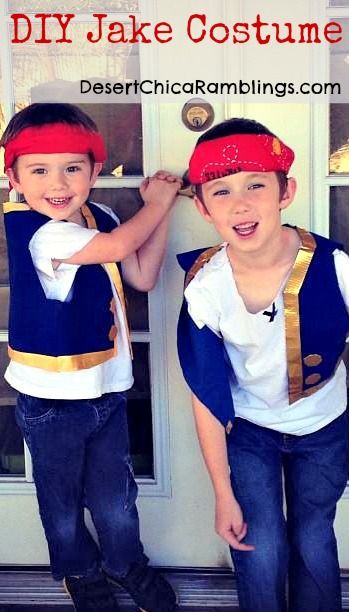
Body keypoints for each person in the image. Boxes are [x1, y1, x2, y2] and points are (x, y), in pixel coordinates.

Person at [1, 102, 181, 612]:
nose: (57, 183)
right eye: (38, 170)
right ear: (13, 176)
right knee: (60, 501)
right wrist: (159, 202)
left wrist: (161, 211)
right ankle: (77, 570)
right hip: (52, 396)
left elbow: (142, 274)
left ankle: (126, 563)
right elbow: (120, 244)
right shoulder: (38, 229)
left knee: (115, 496)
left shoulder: (96, 215)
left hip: (106, 385)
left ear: (95, 171)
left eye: (72, 168)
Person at [177, 117, 349, 612]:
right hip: (249, 429)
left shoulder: (334, 266)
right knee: (257, 542)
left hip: (324, 426)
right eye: (222, 191)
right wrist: (220, 491)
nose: (241, 203)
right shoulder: (205, 289)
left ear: (285, 192)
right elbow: (206, 394)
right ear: (205, 208)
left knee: (314, 536)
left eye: (256, 184)